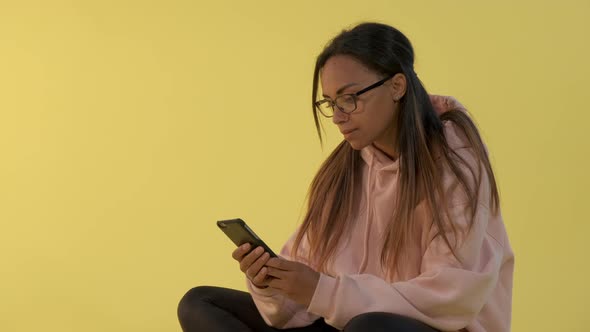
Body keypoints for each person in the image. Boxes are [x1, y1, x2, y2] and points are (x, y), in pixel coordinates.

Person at [177, 22, 514, 332]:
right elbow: (303, 291)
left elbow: (452, 296)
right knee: (200, 303)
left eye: (350, 98)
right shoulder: (345, 168)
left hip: (430, 327)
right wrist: (273, 282)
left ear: (397, 86)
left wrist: (326, 291)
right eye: (330, 102)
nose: (338, 117)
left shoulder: (454, 157)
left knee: (370, 327)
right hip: (346, 321)